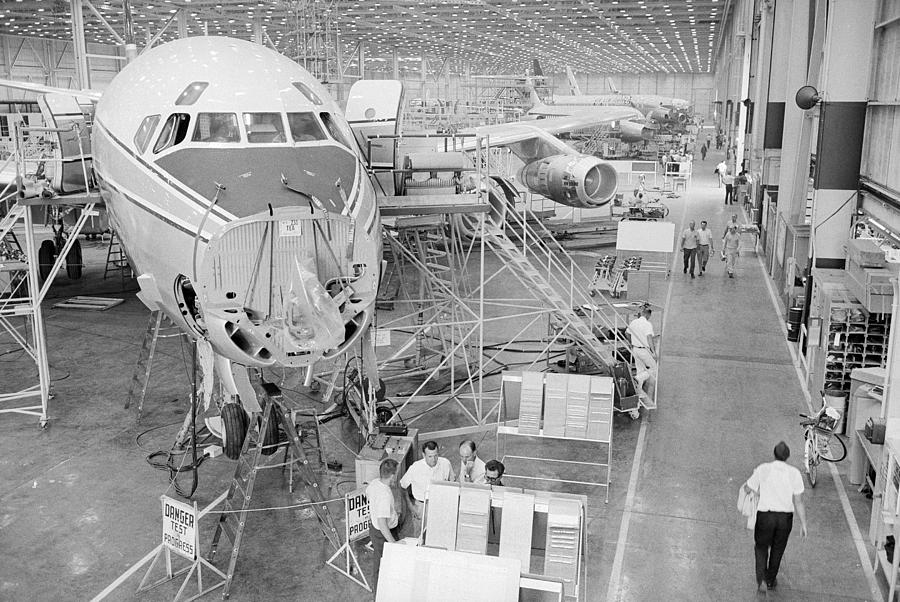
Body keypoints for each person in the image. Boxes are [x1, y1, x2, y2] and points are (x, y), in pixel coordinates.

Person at [742, 442, 808, 591]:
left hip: (765, 516)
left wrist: (759, 492)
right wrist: (803, 524)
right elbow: (799, 501)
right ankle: (770, 579)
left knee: (761, 547)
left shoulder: (763, 469)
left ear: (774, 454)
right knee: (778, 549)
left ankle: (761, 580)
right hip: (785, 519)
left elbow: (748, 488)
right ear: (788, 456)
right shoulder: (794, 473)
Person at [399, 440, 455, 536]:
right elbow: (402, 486)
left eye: (436, 455)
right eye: (430, 456)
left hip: (440, 505)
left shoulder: (446, 464)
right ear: (423, 455)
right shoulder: (415, 468)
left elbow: (452, 482)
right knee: (419, 535)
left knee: (440, 533)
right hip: (421, 506)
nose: (433, 459)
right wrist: (411, 507)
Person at [367, 458, 401, 590]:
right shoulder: (384, 495)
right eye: (396, 473)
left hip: (375, 530)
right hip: (383, 534)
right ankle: (379, 595)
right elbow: (382, 523)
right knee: (383, 566)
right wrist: (394, 543)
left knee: (379, 561)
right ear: (392, 476)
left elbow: (368, 495)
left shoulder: (375, 483)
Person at [626, 306, 657, 404]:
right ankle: (638, 379)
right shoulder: (647, 324)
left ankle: (638, 391)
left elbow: (627, 333)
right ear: (648, 314)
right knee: (654, 369)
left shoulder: (634, 322)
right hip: (644, 350)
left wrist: (631, 343)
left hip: (635, 349)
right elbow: (649, 338)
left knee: (640, 369)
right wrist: (653, 352)